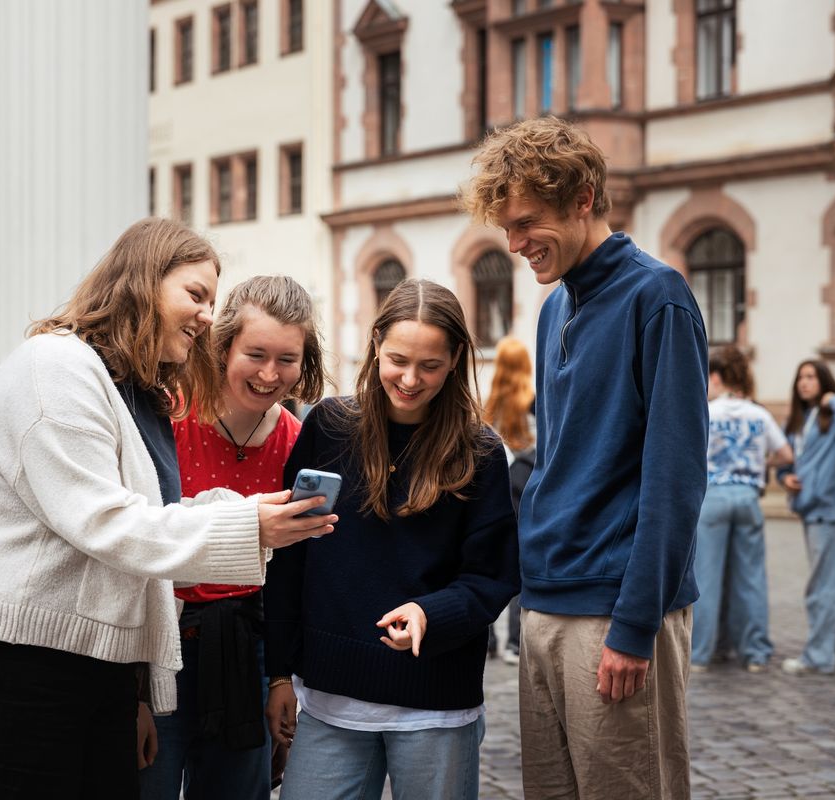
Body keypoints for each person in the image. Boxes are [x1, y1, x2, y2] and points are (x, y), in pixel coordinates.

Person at [0, 218, 336, 799]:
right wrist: (248, 523)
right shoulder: (56, 367)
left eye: (212, 301)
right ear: (141, 281)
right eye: (195, 295)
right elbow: (108, 524)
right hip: (11, 659)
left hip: (90, 663)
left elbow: (154, 516)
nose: (208, 317)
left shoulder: (132, 392)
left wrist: (256, 521)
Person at [462, 116, 707, 798]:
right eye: (505, 229)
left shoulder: (658, 297)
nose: (515, 245)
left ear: (583, 199)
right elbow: (560, 457)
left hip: (613, 611)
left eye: (528, 223)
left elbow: (676, 478)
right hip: (545, 604)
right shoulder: (553, 307)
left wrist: (633, 625)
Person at [262, 278, 520, 800]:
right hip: (329, 702)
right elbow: (289, 558)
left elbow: (492, 577)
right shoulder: (329, 427)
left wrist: (432, 614)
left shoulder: (480, 451)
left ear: (454, 361)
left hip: (437, 705)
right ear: (376, 342)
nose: (409, 378)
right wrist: (278, 675)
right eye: (398, 359)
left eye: (430, 365)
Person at [139, 276, 326, 799]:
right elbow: (133, 544)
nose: (270, 374)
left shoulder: (297, 442)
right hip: (161, 645)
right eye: (256, 353)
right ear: (224, 347)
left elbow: (293, 574)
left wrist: (280, 680)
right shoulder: (168, 416)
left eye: (287, 358)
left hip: (249, 650)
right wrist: (131, 691)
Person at [691, 346, 792, 674]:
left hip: (713, 496)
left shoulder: (707, 412)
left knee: (707, 576)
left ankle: (702, 653)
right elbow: (786, 454)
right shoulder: (758, 414)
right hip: (748, 496)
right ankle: (755, 652)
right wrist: (762, 462)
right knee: (750, 578)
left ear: (716, 377)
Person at [777, 360, 835, 675]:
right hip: (809, 506)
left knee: (821, 585)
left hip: (830, 507)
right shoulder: (800, 420)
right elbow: (786, 461)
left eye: (811, 377)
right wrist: (784, 478)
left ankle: (819, 657)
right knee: (834, 583)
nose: (805, 383)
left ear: (824, 381)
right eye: (800, 377)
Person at [482, 335, 536, 666]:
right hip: (528, 483)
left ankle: (487, 639)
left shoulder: (490, 402)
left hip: (499, 482)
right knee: (522, 563)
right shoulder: (533, 399)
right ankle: (515, 642)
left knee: (488, 558)